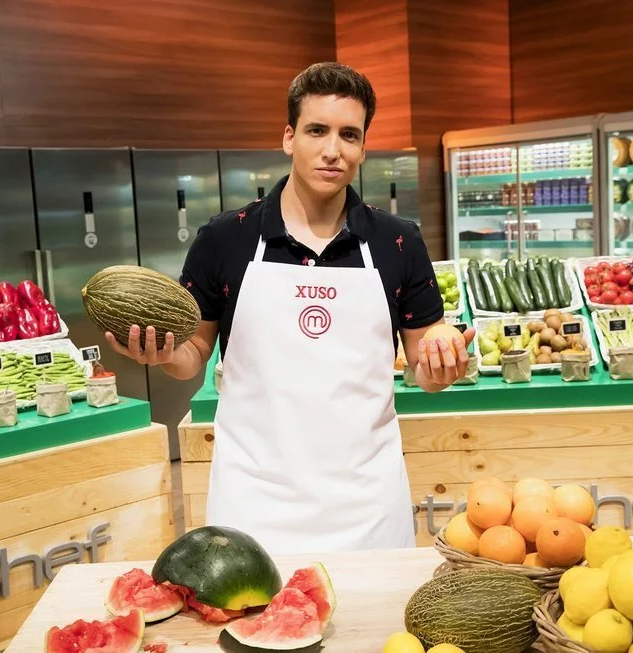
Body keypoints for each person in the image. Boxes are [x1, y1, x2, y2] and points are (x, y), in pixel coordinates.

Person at [106, 61, 476, 555]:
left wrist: (443, 367)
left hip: (366, 503)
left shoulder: (398, 241)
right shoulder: (225, 238)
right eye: (317, 130)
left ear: (363, 147)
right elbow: (193, 354)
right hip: (253, 501)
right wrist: (164, 355)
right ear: (289, 137)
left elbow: (422, 367)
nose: (332, 150)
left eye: (349, 135)